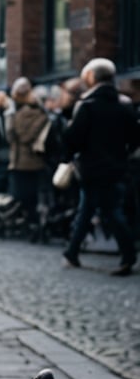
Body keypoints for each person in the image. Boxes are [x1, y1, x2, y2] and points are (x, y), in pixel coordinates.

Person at [62, 57, 140, 276]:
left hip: (91, 168)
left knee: (107, 211)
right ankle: (72, 251)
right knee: (91, 209)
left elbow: (73, 138)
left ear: (92, 77)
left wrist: (68, 155)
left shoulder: (86, 106)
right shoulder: (123, 104)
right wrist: (122, 153)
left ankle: (128, 254)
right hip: (116, 168)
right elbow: (135, 137)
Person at [6, 77, 49, 240]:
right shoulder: (40, 114)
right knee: (32, 197)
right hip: (34, 161)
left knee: (23, 197)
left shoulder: (16, 115)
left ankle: (30, 225)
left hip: (21, 162)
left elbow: (14, 136)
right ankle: (34, 225)